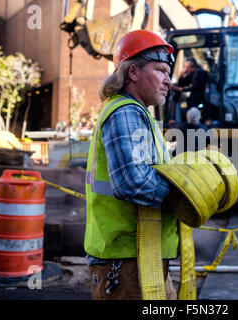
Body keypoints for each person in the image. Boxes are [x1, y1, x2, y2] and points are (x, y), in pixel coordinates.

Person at [84, 30, 178, 300]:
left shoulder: (138, 113)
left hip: (138, 256)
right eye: (160, 70)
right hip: (126, 262)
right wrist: (186, 197)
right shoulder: (126, 112)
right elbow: (132, 182)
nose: (168, 81)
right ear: (133, 72)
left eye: (168, 73)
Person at [170, 57, 208, 122]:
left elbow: (195, 87)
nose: (186, 69)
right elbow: (183, 83)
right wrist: (181, 75)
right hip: (193, 98)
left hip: (200, 98)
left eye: (187, 67)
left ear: (193, 67)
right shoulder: (191, 73)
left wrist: (180, 89)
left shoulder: (200, 73)